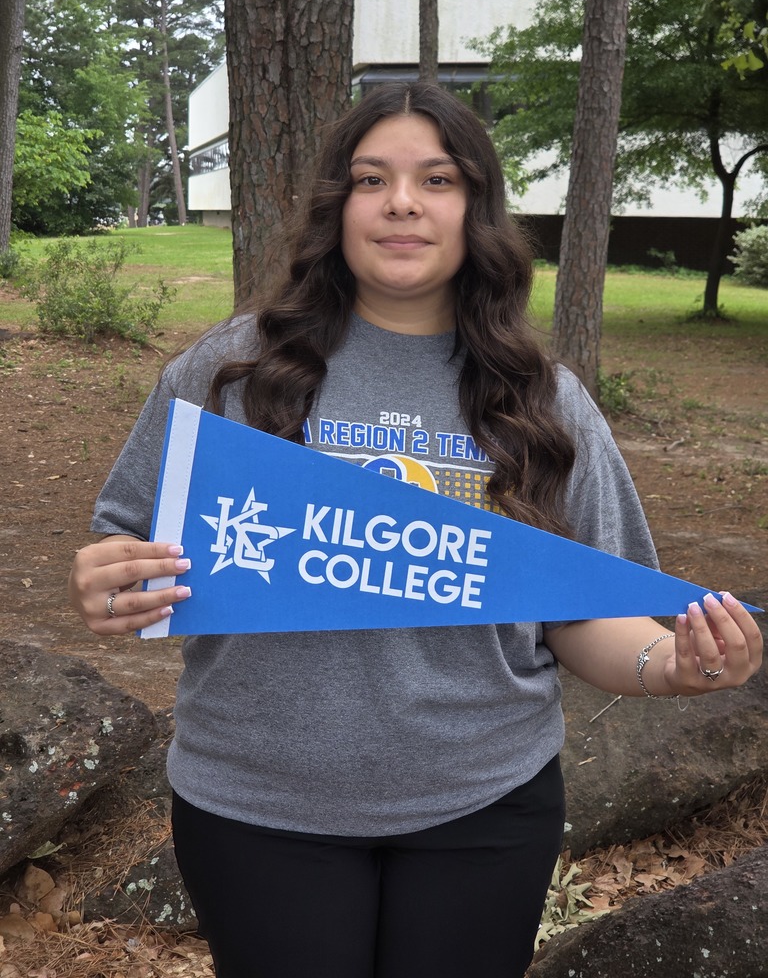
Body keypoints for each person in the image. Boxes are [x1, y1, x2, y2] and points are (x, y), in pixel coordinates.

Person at [68, 82, 762, 978]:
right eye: (370, 179)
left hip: (484, 806)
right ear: (337, 206)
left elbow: (582, 608)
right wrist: (106, 582)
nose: (402, 202)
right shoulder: (231, 370)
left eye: (437, 179)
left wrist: (667, 666)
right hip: (257, 804)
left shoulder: (544, 400)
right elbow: (126, 548)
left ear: (476, 208)